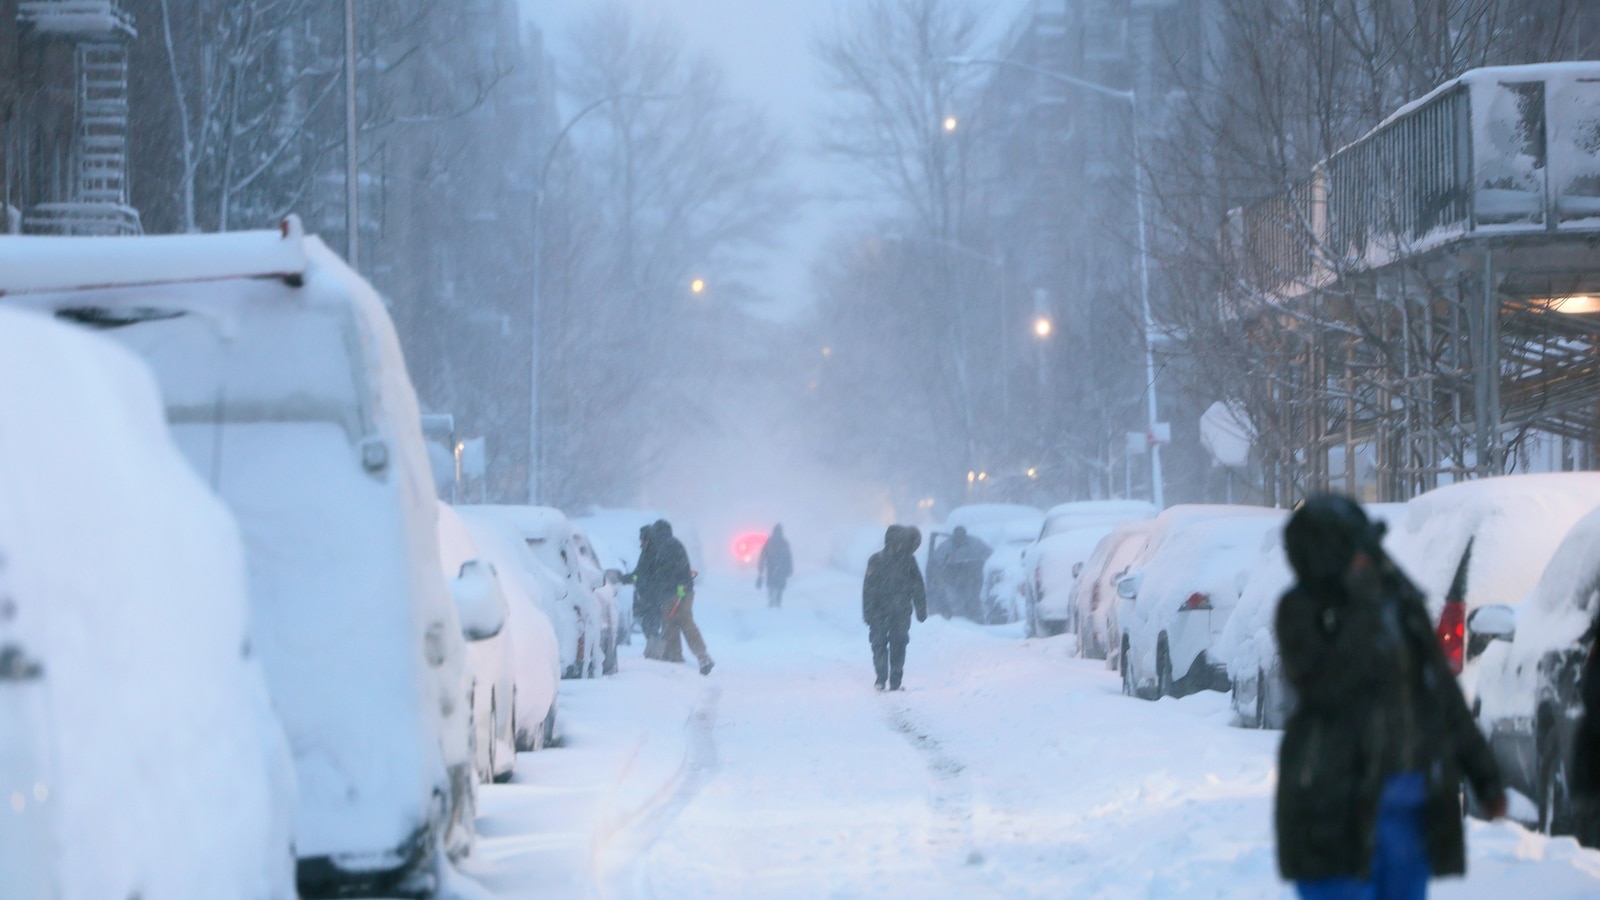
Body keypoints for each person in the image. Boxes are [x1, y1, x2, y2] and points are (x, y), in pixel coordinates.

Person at [1275, 494, 1505, 900]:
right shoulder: (1300, 610)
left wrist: (1482, 772)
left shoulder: (1398, 604)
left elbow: (1440, 692)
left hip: (1407, 805)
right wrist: (1361, 603)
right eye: (1357, 548)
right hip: (1331, 810)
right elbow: (1327, 685)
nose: (1369, 557)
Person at [862, 524, 927, 691]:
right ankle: (882, 678)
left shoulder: (906, 561)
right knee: (881, 644)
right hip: (885, 611)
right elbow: (868, 588)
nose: (902, 546)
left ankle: (893, 680)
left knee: (895, 644)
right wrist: (868, 611)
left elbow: (917, 586)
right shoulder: (878, 560)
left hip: (896, 612)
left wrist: (921, 609)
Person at [650, 519, 714, 676]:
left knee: (679, 623)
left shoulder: (667, 546)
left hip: (677, 592)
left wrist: (679, 587)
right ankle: (679, 658)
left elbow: (675, 568)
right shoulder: (672, 544)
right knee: (676, 624)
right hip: (678, 591)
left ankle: (696, 657)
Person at [756, 523, 794, 609]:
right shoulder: (784, 543)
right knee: (779, 586)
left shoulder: (770, 542)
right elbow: (788, 556)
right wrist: (789, 568)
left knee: (772, 585)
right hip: (781, 569)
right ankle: (777, 602)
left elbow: (763, 556)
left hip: (772, 568)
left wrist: (761, 568)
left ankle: (771, 601)